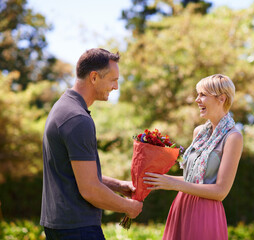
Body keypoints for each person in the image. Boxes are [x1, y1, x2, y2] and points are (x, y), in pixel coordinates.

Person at [40, 48, 143, 240]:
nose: (116, 87)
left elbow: (75, 173)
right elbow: (90, 189)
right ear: (94, 77)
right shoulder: (78, 119)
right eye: (113, 80)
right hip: (77, 229)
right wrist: (128, 206)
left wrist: (118, 185)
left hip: (60, 224)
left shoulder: (63, 108)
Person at [144, 74, 243, 240]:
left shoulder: (233, 137)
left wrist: (173, 184)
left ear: (221, 98)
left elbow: (220, 192)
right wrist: (158, 179)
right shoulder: (199, 132)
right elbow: (192, 179)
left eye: (203, 95)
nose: (197, 100)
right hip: (181, 207)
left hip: (206, 213)